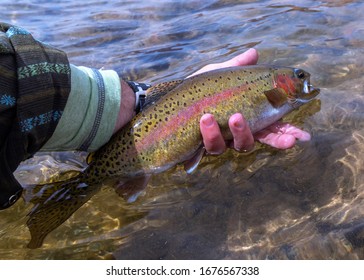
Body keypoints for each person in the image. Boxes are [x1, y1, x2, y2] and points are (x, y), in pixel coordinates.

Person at [0, 22, 310, 210]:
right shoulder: (272, 87)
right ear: (279, 84)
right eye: (298, 76)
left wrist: (133, 104)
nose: (302, 78)